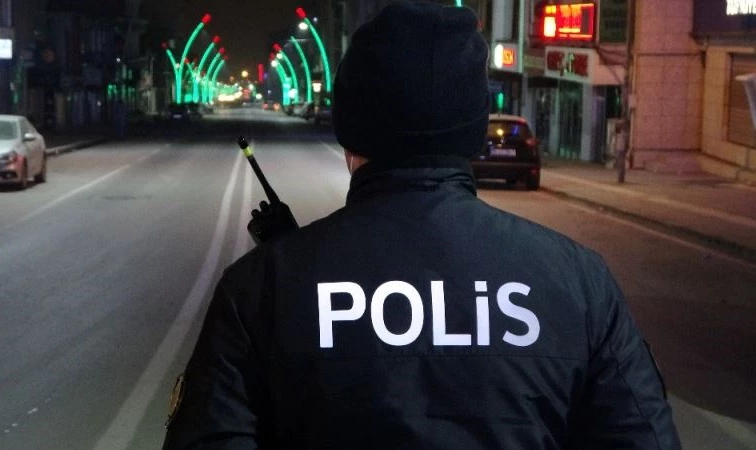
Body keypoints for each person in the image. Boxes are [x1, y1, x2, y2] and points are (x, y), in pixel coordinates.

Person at [162, 2, 681, 449]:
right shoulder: (580, 284)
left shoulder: (260, 290)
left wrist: (297, 275)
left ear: (350, 134)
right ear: (474, 134)